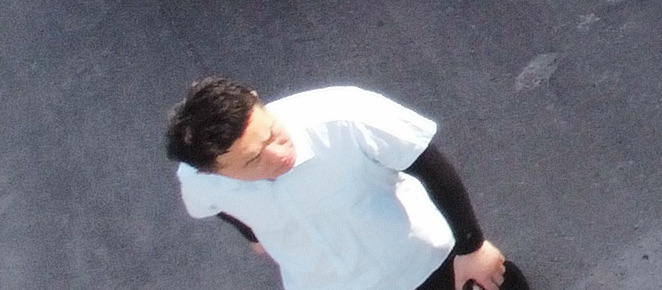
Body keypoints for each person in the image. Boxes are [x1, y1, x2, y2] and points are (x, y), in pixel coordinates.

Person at [167, 78, 519, 290]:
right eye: (253, 160)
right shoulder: (199, 182)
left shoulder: (343, 117)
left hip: (427, 262)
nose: (278, 154)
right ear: (214, 172)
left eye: (272, 133)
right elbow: (218, 207)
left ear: (256, 99)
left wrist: (472, 247)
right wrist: (253, 236)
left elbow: (427, 163)